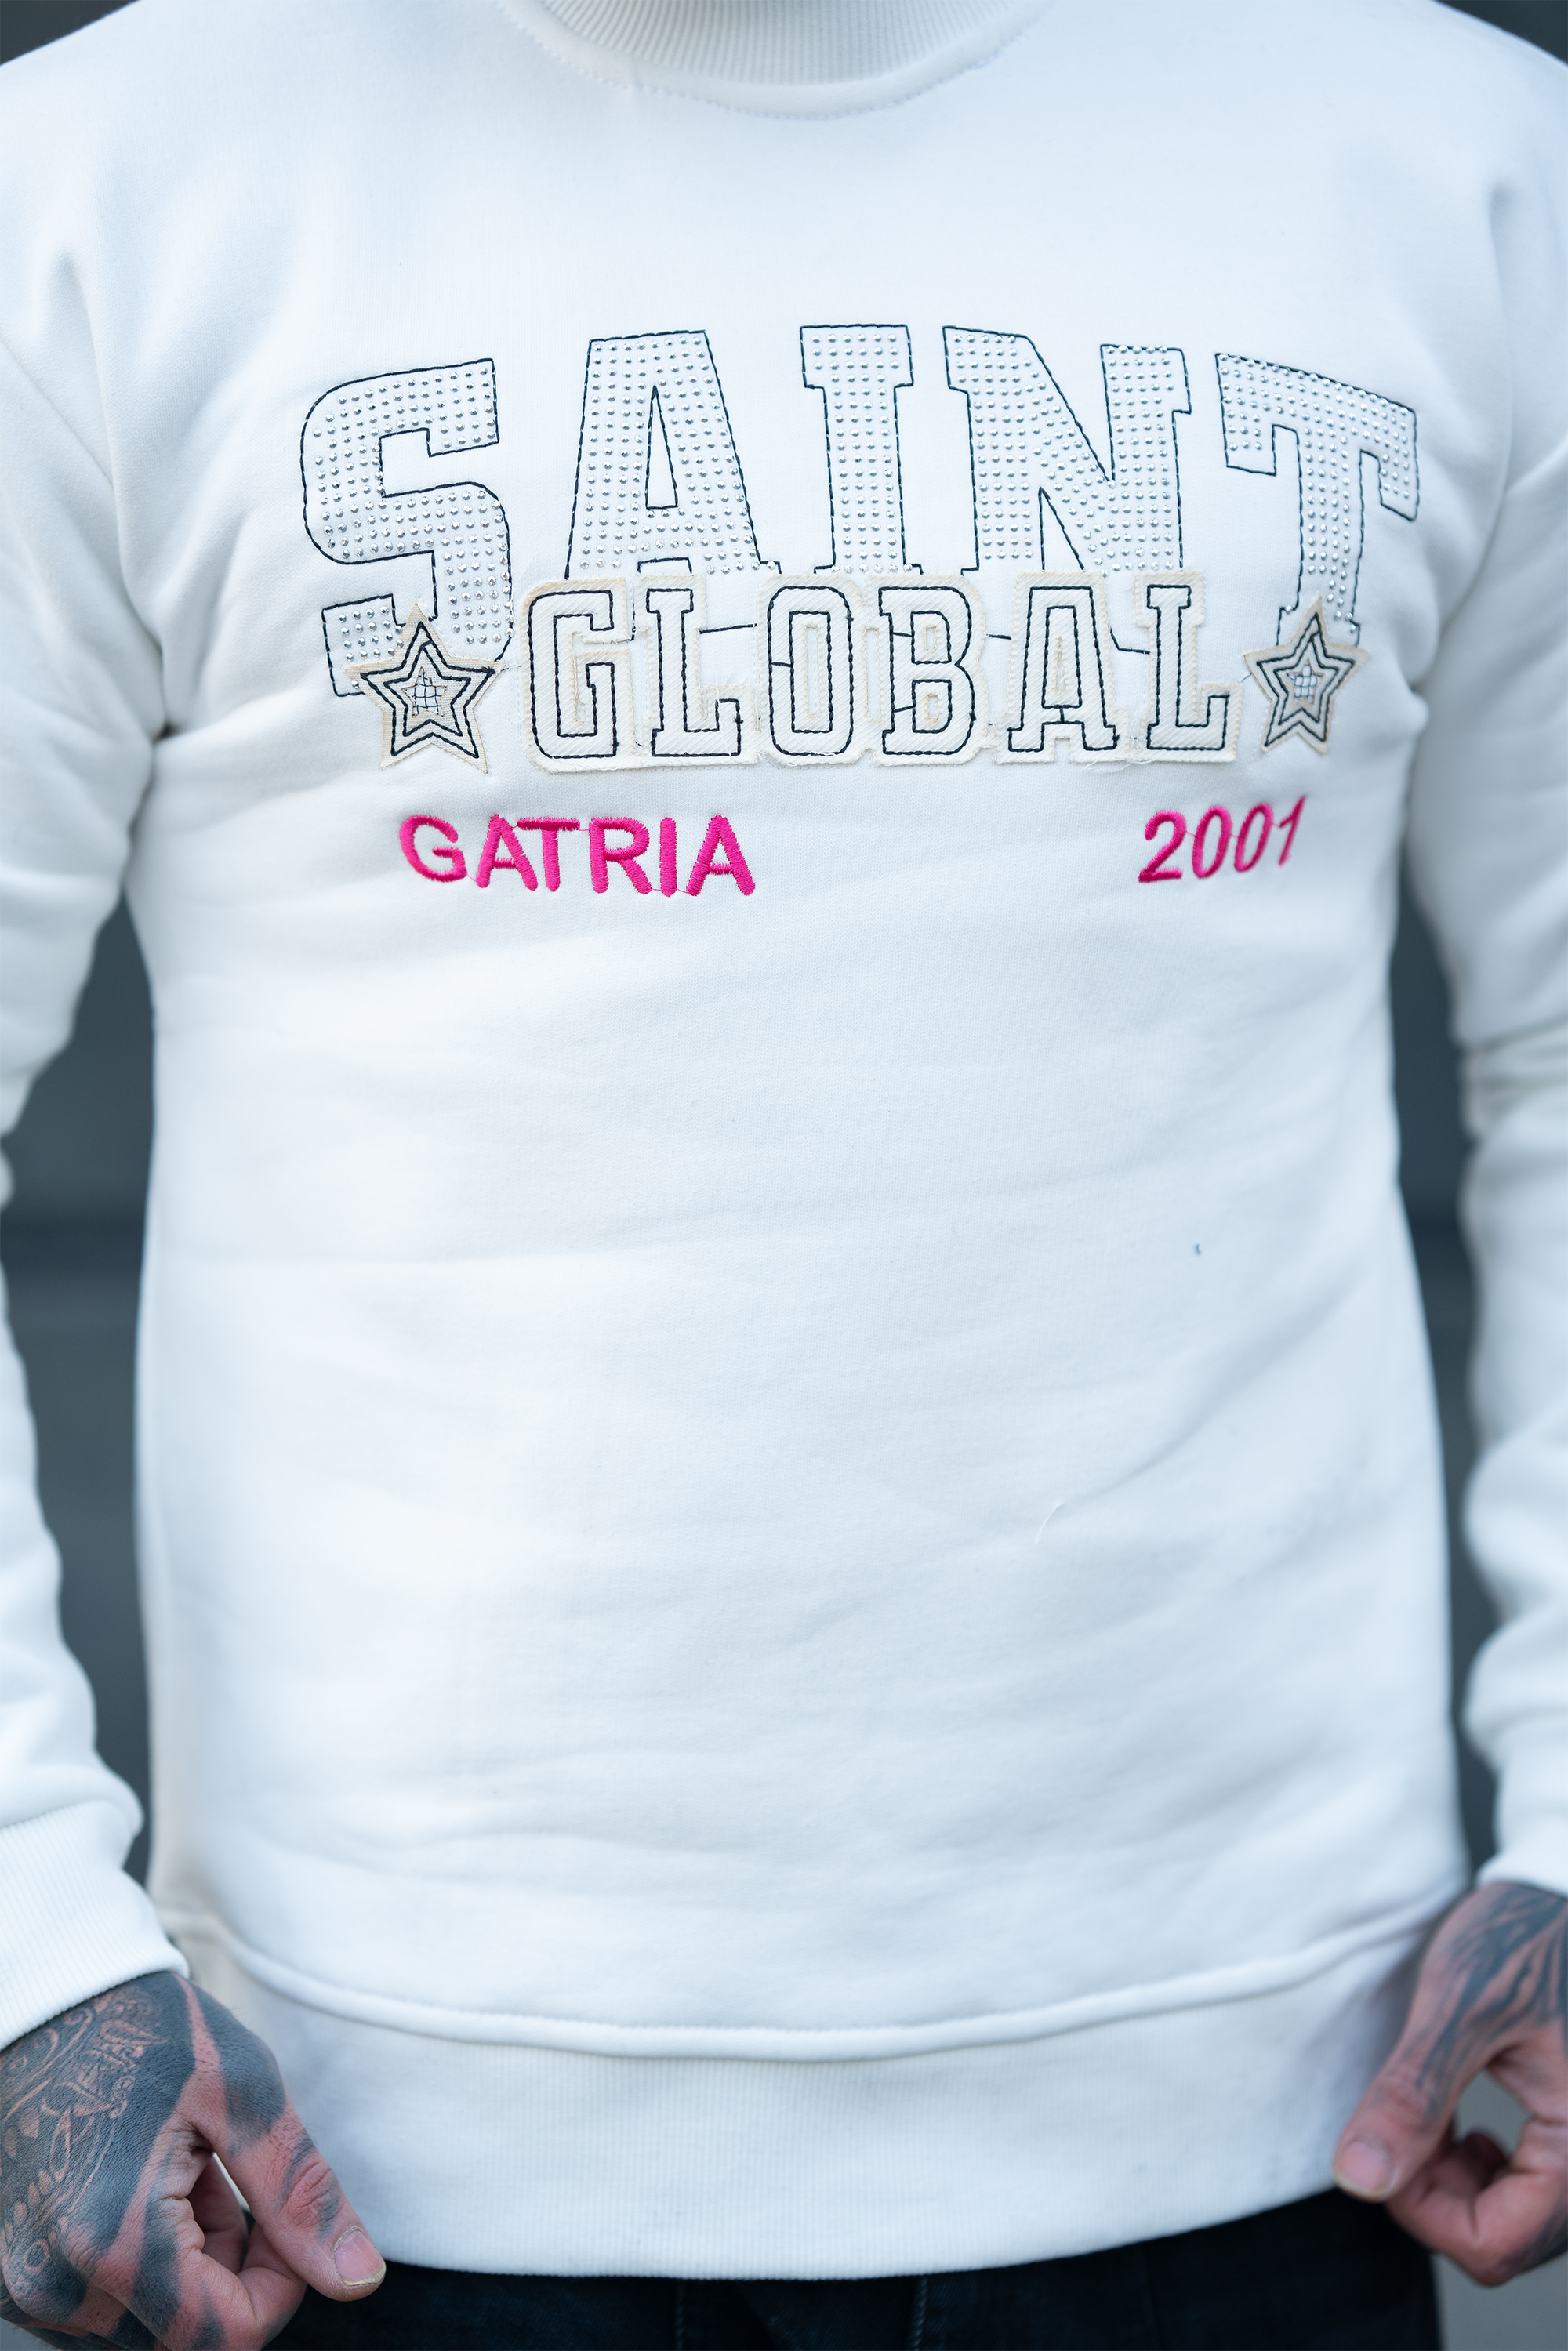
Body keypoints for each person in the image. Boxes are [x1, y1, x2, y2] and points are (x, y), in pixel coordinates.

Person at [0, 1, 1563, 2345]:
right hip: (360, 2166)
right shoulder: (96, 190)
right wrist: (25, 1937)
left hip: (1274, 2116)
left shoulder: (1467, 165)